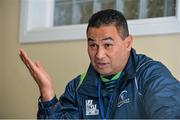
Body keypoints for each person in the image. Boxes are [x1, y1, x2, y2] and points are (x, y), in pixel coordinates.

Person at [19, 9, 180, 119]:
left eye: (107, 45)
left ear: (128, 43)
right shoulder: (77, 87)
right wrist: (47, 93)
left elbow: (170, 112)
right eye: (92, 45)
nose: (99, 55)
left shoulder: (151, 75)